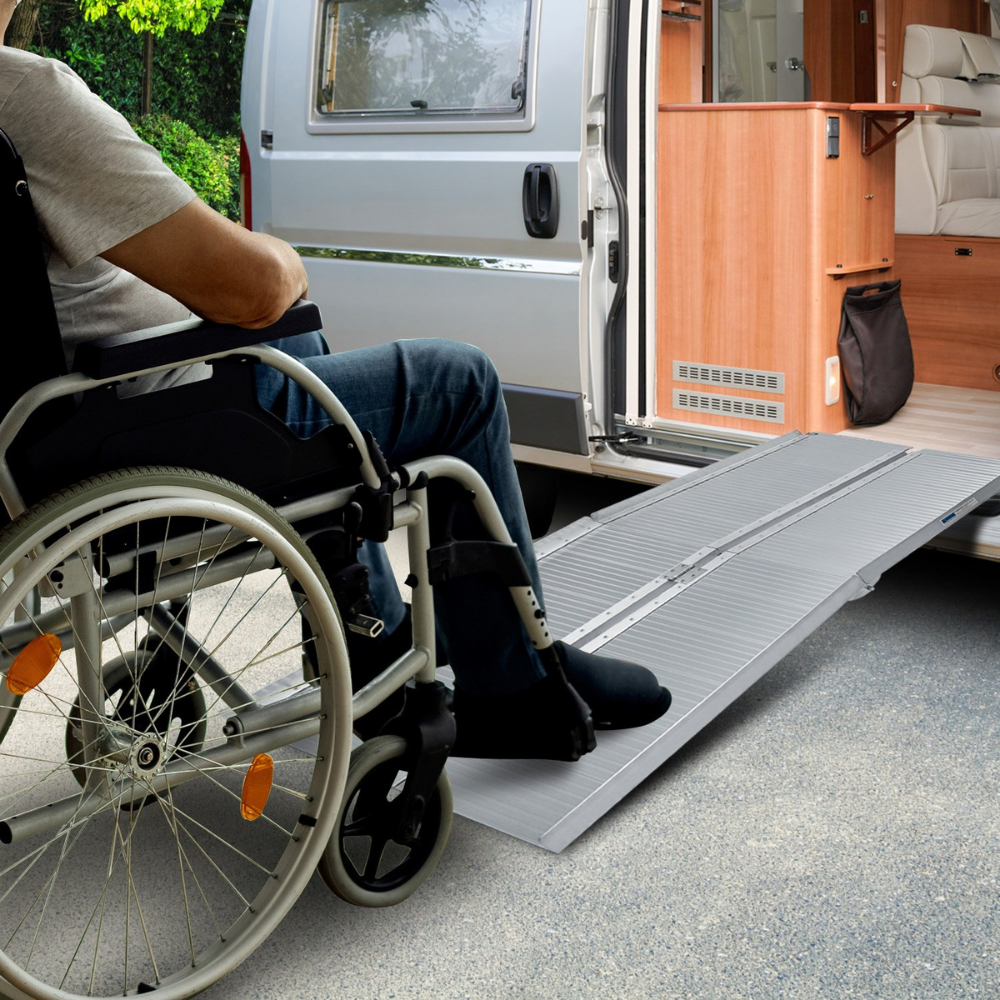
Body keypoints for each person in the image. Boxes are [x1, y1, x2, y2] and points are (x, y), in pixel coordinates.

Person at [0, 7, 670, 758]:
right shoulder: (24, 95)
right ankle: (510, 684)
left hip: (44, 446)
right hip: (146, 432)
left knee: (297, 349)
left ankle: (380, 647)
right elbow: (250, 287)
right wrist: (281, 262)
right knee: (460, 382)